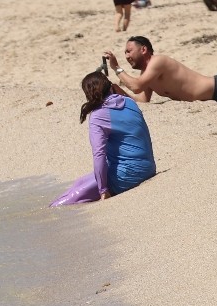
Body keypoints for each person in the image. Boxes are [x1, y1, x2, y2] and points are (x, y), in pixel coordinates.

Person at [50, 70, 156, 206]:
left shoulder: (98, 115)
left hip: (129, 175)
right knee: (79, 183)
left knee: (68, 200)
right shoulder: (130, 103)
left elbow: (99, 154)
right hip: (149, 167)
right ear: (110, 87)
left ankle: (50, 211)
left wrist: (103, 190)